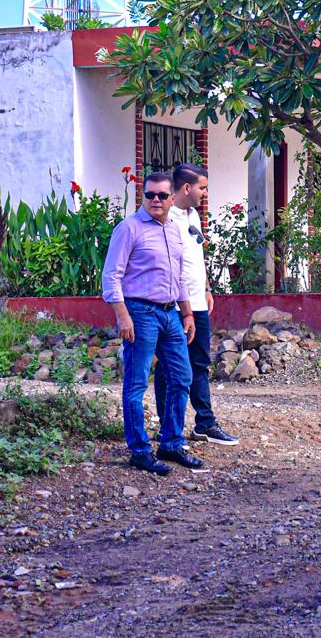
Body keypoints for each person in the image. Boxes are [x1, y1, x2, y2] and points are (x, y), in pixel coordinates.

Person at [102, 171, 205, 476]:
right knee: (136, 383)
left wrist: (187, 313)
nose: (156, 200)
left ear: (172, 198)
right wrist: (123, 316)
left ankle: (171, 443)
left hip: (170, 313)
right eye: (150, 195)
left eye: (162, 195)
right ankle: (139, 450)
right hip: (140, 313)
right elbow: (111, 276)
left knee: (182, 376)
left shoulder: (175, 230)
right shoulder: (129, 229)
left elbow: (179, 276)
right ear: (143, 196)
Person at [155, 163, 239, 447]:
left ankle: (205, 423)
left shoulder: (193, 216)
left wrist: (206, 288)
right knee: (170, 367)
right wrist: (186, 305)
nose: (205, 193)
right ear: (187, 188)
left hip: (199, 303)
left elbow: (196, 255)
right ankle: (168, 427)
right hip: (177, 306)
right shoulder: (167, 219)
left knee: (200, 363)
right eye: (202, 187)